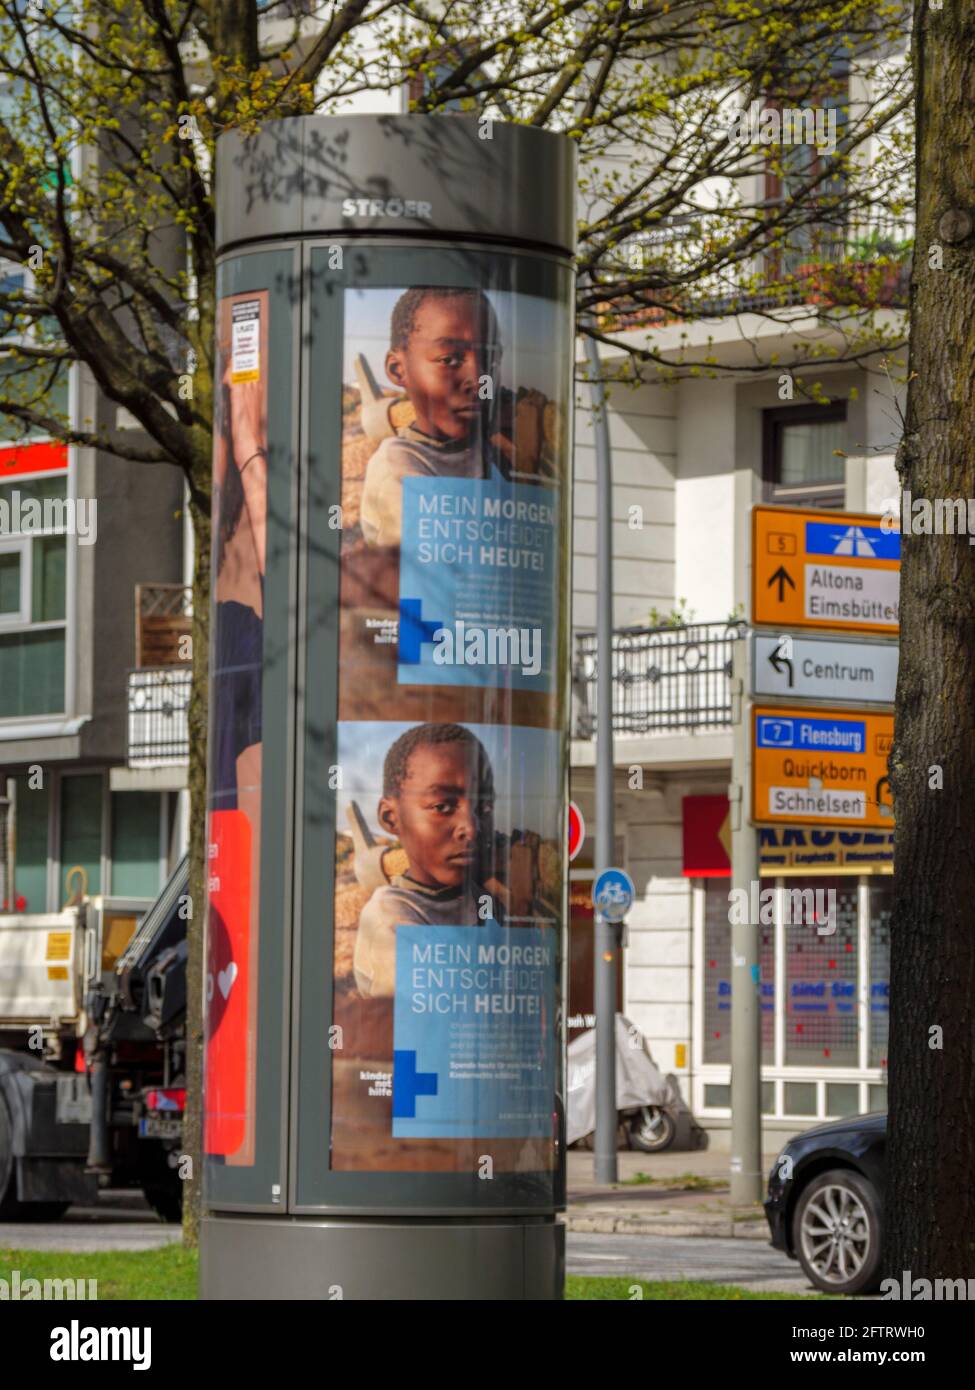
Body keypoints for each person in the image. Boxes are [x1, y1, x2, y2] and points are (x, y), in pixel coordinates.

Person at [353, 723, 498, 998]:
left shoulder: (480, 898)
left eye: (484, 808)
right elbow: (446, 1004)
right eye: (442, 807)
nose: (471, 826)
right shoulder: (388, 915)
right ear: (390, 817)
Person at [359, 287, 503, 548]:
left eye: (490, 360)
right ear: (397, 370)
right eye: (449, 359)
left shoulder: (490, 450)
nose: (480, 379)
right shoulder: (395, 469)